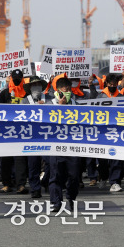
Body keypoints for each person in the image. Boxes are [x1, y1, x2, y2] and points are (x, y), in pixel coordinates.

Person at [48, 76, 81, 211]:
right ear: (57, 90)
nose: (67, 92)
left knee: (74, 175)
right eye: (64, 89)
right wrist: (60, 108)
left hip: (72, 146)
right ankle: (56, 202)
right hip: (55, 146)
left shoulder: (75, 104)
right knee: (55, 175)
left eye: (69, 89)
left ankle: (71, 197)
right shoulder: (50, 104)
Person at [0, 69, 29, 193]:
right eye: (14, 77)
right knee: (5, 159)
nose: (16, 80)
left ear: (22, 78)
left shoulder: (26, 93)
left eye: (19, 78)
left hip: (21, 131)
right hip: (6, 132)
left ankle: (21, 184)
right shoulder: (4, 93)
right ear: (11, 78)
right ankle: (6, 184)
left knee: (20, 160)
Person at [21, 76, 49, 198]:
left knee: (50, 162)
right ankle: (35, 188)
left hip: (48, 136)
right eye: (33, 85)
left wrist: (46, 107)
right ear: (30, 87)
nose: (36, 87)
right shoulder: (25, 101)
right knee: (33, 164)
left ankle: (46, 181)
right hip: (32, 137)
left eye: (38, 84)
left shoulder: (49, 99)